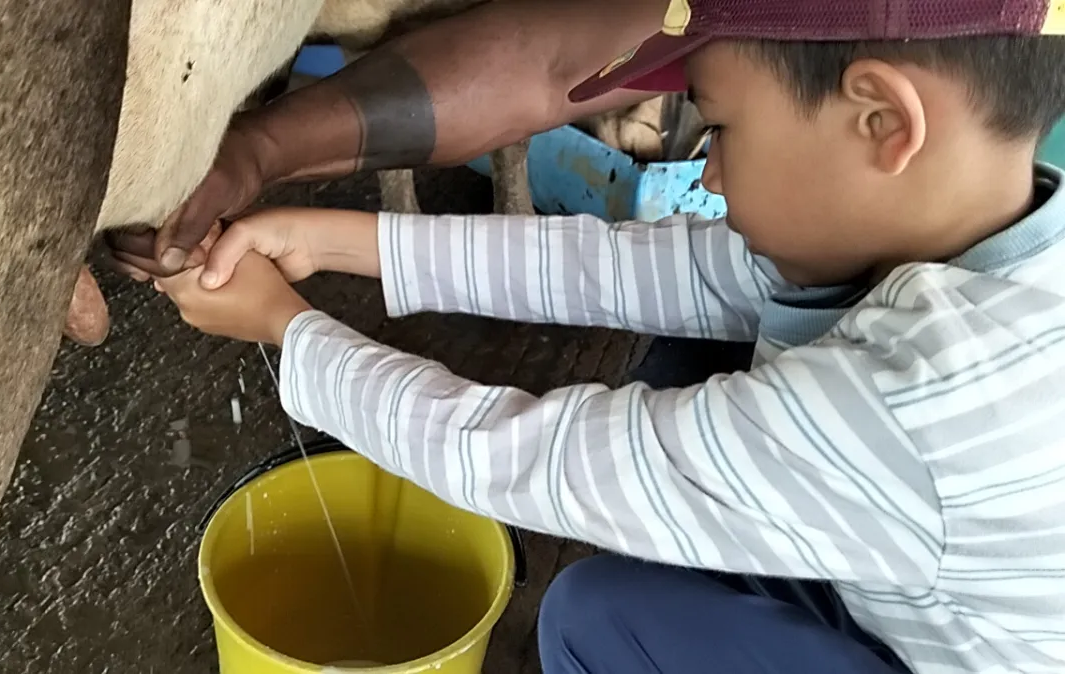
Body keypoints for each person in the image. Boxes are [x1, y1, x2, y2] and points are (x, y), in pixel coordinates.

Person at [137, 0, 1065, 672]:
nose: (709, 169)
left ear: (882, 121)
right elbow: (617, 269)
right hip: (931, 607)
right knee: (633, 558)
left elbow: (536, 460)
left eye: (722, 126)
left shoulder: (924, 407)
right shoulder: (975, 248)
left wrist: (287, 329)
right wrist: (329, 241)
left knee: (601, 622)